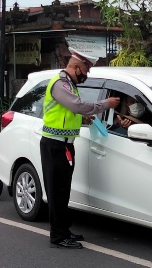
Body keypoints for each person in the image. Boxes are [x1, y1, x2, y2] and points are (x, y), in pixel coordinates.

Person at [40, 47, 120, 249]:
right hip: (54, 145)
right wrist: (105, 104)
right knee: (56, 191)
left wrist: (83, 117)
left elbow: (70, 111)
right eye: (85, 70)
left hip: (65, 145)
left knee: (63, 190)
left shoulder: (69, 84)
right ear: (76, 67)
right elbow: (77, 105)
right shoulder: (60, 84)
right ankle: (58, 236)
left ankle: (64, 230)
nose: (86, 75)